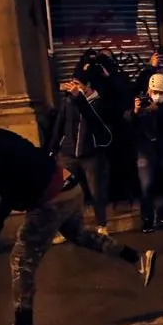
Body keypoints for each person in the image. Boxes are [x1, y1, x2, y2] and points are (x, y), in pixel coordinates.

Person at [0, 98, 155, 325]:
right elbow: (7, 192)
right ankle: (137, 258)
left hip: (51, 198)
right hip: (68, 186)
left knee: (21, 259)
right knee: (80, 235)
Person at [49, 73, 113, 237]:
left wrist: (79, 98)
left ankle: (102, 225)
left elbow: (94, 118)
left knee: (96, 190)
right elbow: (60, 124)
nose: (73, 87)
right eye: (72, 83)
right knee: (63, 192)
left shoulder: (99, 102)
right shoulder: (69, 100)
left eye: (77, 83)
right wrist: (53, 148)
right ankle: (65, 230)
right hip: (68, 154)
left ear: (88, 84)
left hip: (90, 154)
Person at [128, 73, 163, 233]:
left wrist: (159, 110)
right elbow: (128, 125)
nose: (157, 95)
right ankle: (147, 219)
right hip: (145, 150)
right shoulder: (140, 101)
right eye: (155, 91)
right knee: (146, 185)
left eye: (161, 92)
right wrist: (136, 111)